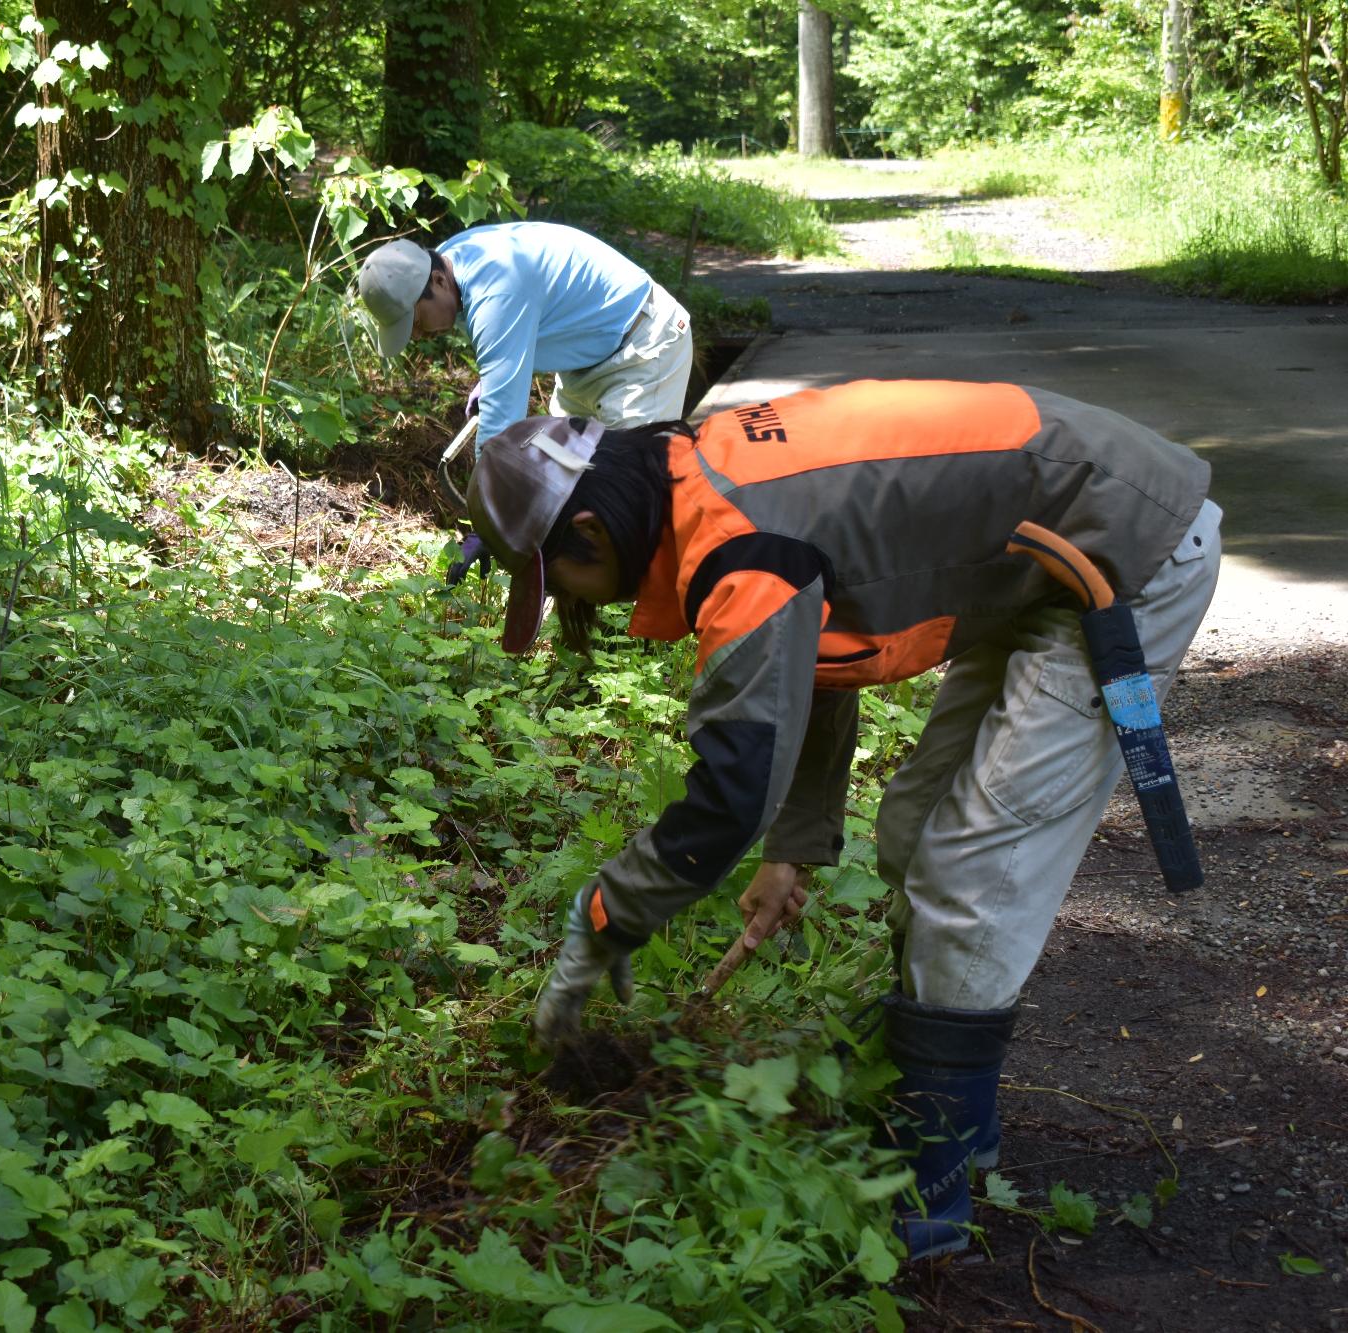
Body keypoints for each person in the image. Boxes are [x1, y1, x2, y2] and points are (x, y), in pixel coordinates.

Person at [466, 381, 1219, 1260]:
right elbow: (812, 661)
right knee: (911, 829)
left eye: (570, 586)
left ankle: (932, 1179)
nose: (588, 608)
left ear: (592, 532)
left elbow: (727, 793)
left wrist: (604, 919)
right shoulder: (710, 479)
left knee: (971, 869)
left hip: (1126, 551)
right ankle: (955, 1107)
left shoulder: (738, 544)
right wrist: (792, 849)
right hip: (1043, 556)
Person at [356, 222, 694, 447]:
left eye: (414, 322)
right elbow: (516, 322)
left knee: (628, 489)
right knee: (564, 476)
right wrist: (493, 378)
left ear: (438, 282)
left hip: (643, 347)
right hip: (585, 363)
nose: (416, 336)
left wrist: (485, 512)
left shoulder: (494, 289)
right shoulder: (449, 262)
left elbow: (500, 428)